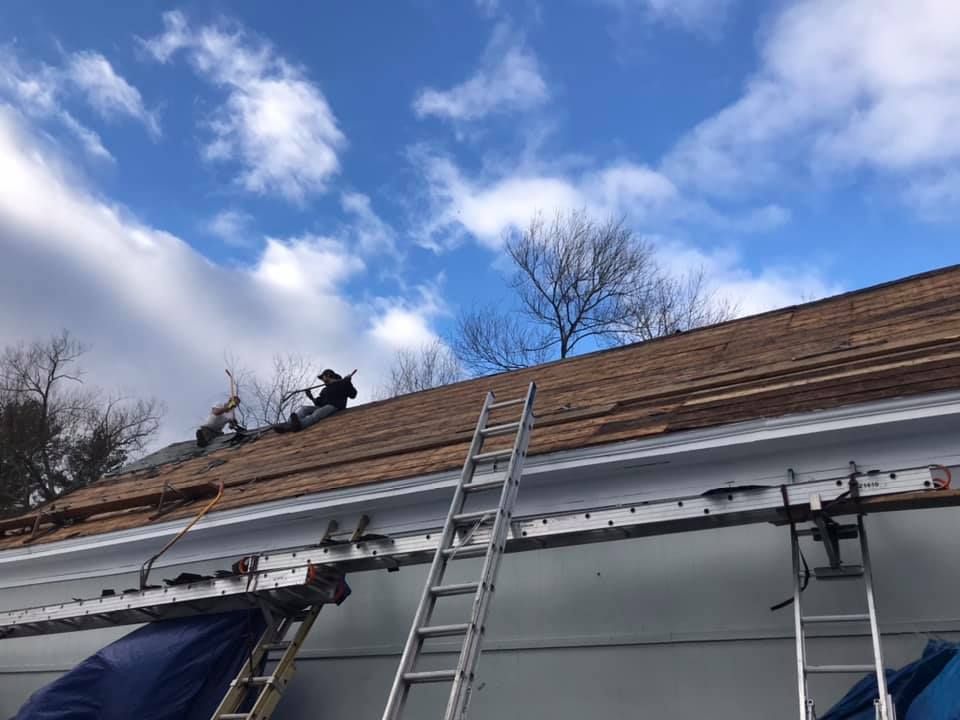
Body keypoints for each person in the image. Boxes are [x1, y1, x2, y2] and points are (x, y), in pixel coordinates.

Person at [273, 368, 357, 433]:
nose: (322, 380)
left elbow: (353, 394)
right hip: (323, 407)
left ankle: (300, 425)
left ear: (328, 375)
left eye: (322, 377)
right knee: (304, 409)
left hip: (335, 407)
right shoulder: (325, 390)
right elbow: (319, 402)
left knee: (317, 413)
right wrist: (311, 397)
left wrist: (348, 382)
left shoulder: (342, 383)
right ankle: (289, 425)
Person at [196, 369, 243, 447]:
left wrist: (233, 423)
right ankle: (202, 438)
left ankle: (205, 442)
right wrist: (226, 409)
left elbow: (231, 426)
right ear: (229, 401)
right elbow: (216, 413)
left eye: (236, 405)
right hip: (207, 429)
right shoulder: (219, 404)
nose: (234, 405)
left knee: (218, 445)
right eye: (234, 403)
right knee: (206, 443)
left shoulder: (231, 414)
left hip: (218, 432)